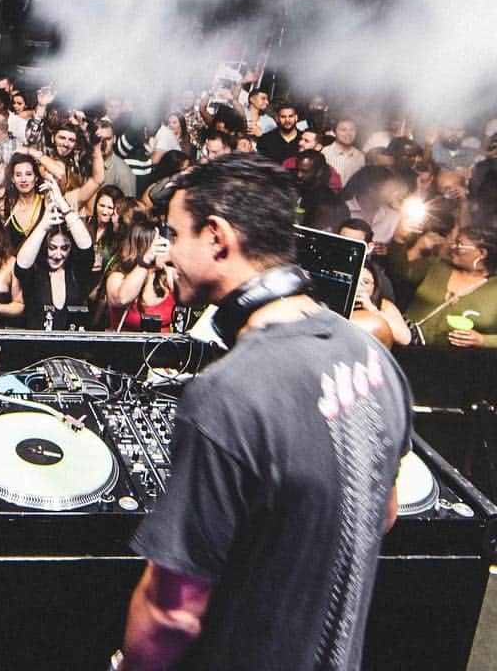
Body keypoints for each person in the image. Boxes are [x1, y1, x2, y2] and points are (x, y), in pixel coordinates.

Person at [116, 154, 411, 671]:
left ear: (215, 236)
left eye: (172, 235)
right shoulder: (374, 358)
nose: (165, 254)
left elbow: (172, 614)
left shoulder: (227, 393)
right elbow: (383, 513)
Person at [386, 222, 497, 347]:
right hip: (409, 348)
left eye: (459, 244)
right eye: (454, 242)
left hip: (457, 362)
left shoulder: (494, 289)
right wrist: (399, 239)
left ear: (482, 253)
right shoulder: (434, 267)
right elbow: (398, 272)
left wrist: (482, 340)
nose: (453, 247)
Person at [14, 176, 94, 329]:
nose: (58, 255)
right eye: (52, 247)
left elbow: (86, 248)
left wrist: (63, 205)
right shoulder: (35, 271)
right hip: (36, 349)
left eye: (65, 248)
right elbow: (21, 266)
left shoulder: (75, 271)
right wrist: (44, 225)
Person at [104, 204, 176, 332]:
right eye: (159, 245)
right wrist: (146, 260)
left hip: (165, 349)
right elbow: (122, 298)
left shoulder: (166, 277)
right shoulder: (117, 277)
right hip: (126, 350)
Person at [1, 153, 46, 248]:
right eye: (18, 175)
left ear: (36, 177)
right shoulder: (6, 206)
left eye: (28, 174)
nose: (23, 179)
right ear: (12, 179)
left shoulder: (46, 203)